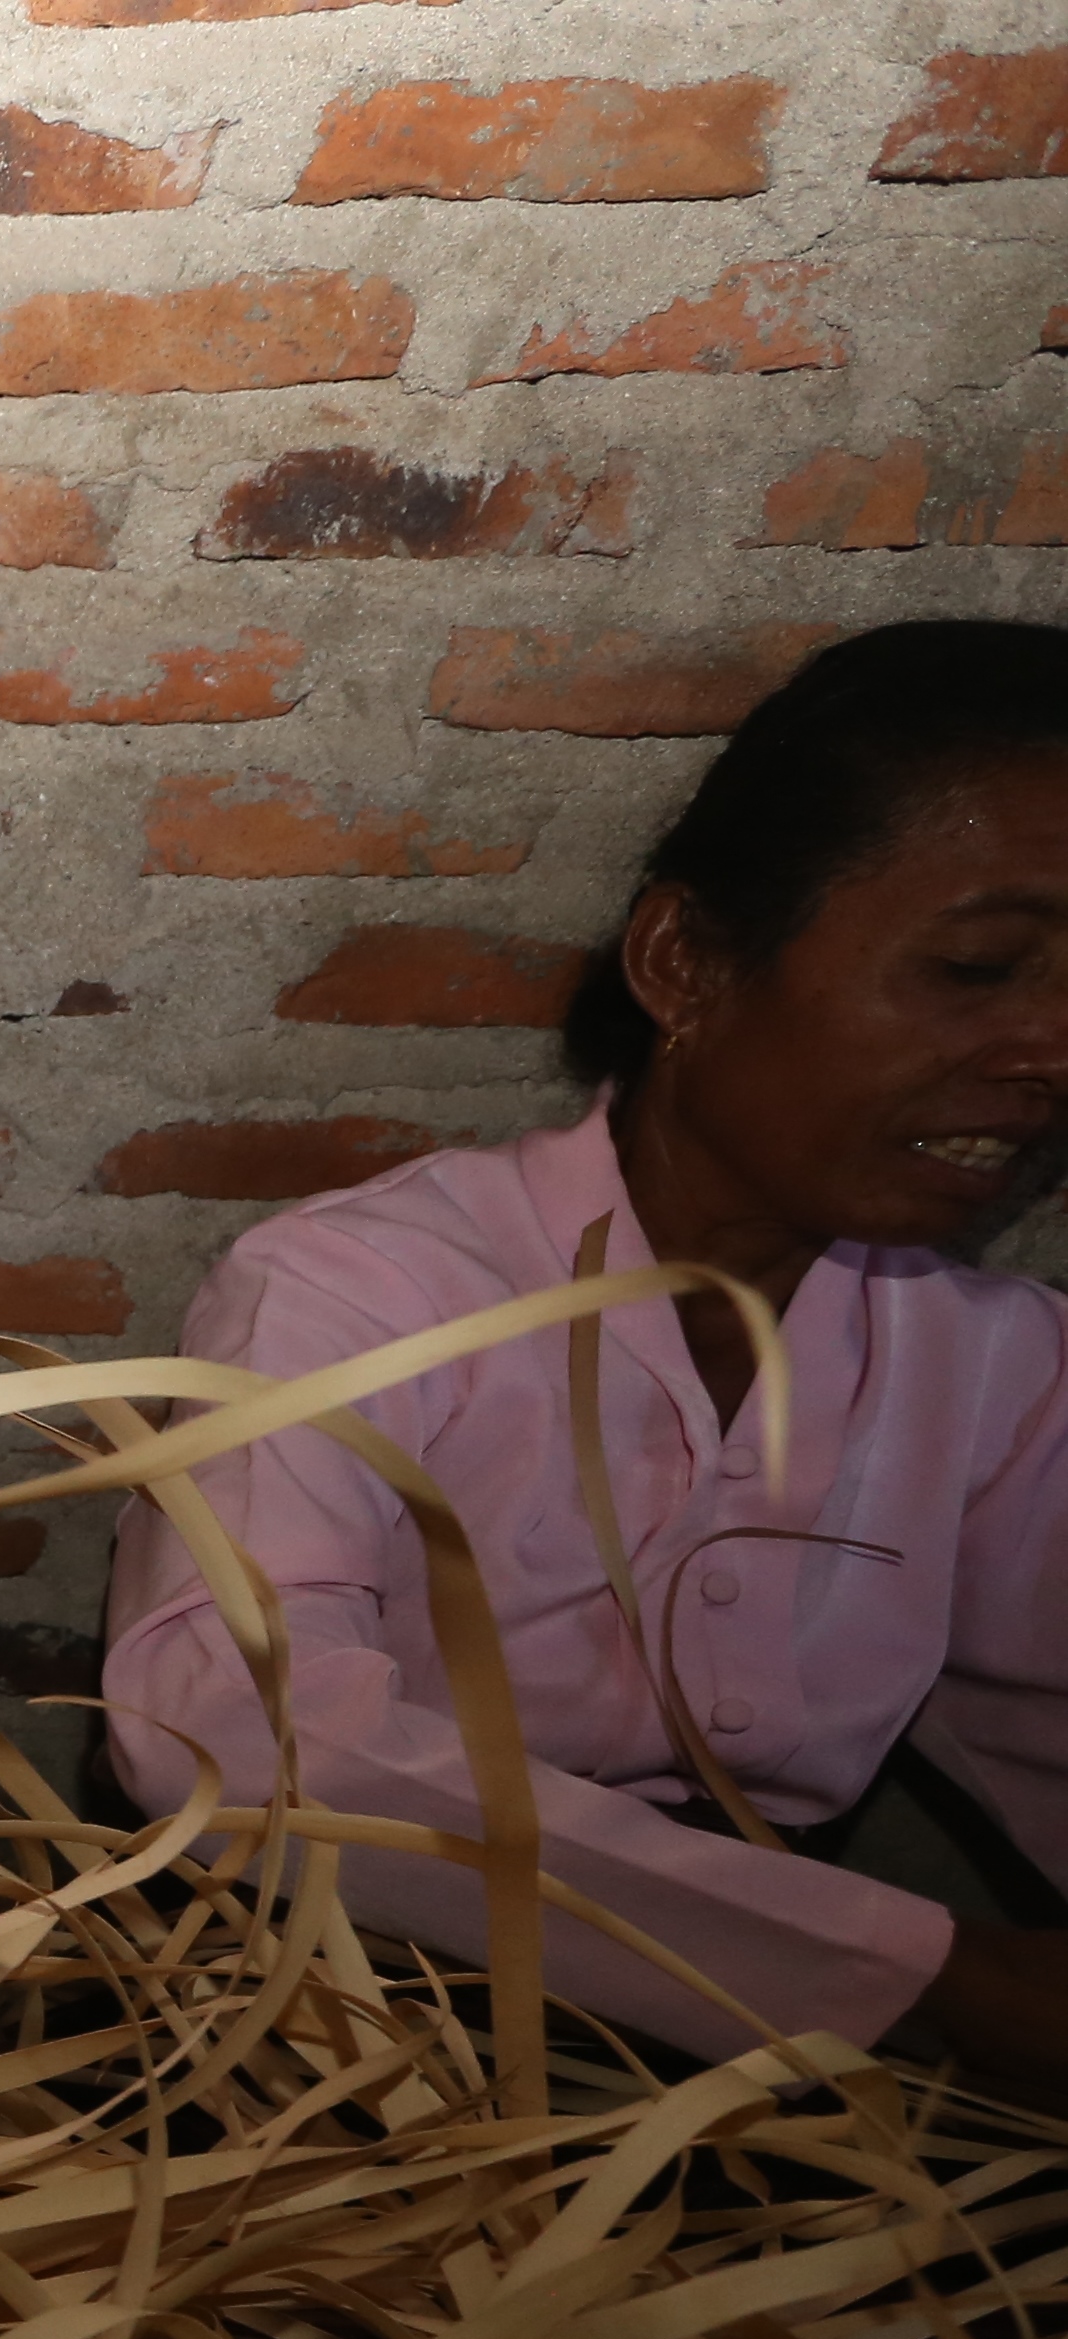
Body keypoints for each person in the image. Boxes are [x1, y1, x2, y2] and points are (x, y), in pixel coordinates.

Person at [102, 618, 1068, 2087]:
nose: (1047, 1050)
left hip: (770, 2098)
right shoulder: (365, 1290)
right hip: (334, 2056)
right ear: (684, 963)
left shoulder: (993, 1367)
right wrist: (915, 1968)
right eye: (978, 967)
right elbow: (234, 1739)